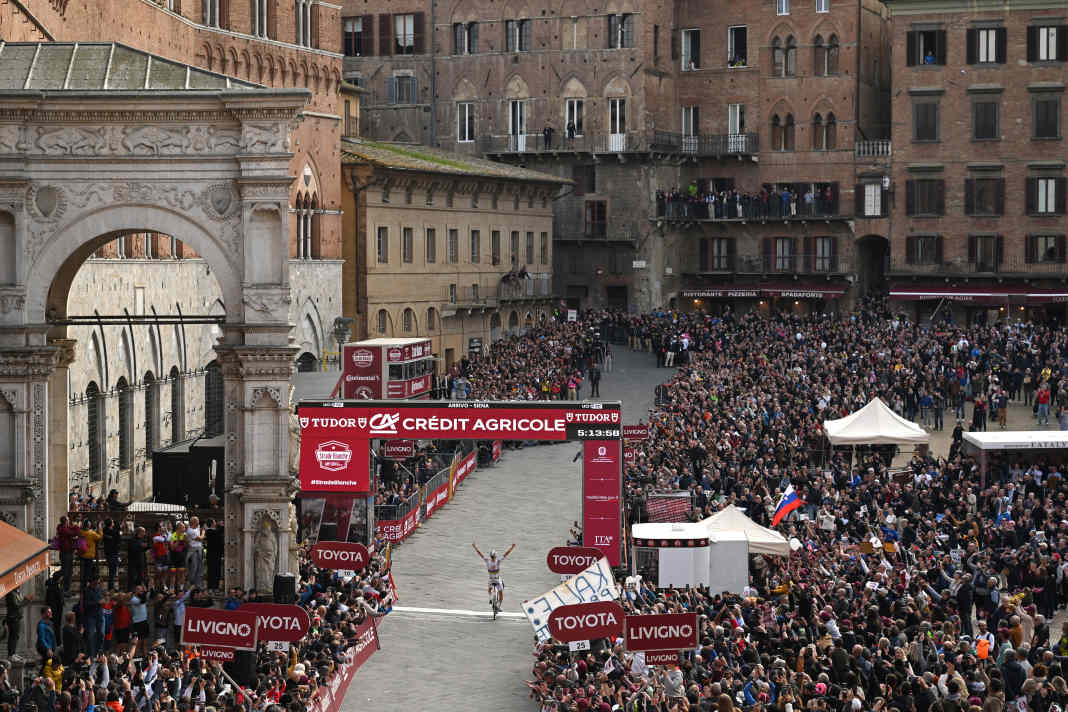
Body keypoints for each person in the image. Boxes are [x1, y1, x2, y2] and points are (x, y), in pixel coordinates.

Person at [472, 541, 516, 613]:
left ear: (490, 556)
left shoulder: (487, 561)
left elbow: (480, 554)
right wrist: (512, 547)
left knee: (489, 589)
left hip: (491, 580)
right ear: (495, 556)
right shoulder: (498, 561)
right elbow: (506, 554)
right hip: (497, 580)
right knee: (501, 593)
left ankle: (490, 598)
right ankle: (498, 607)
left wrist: (475, 547)